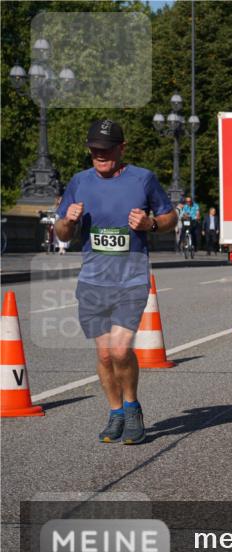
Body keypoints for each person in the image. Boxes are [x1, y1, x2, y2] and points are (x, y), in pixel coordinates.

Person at [54, 119, 177, 444]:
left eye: (106, 150)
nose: (99, 155)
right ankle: (115, 412)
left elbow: (170, 217)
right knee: (106, 354)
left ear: (121, 149)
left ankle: (132, 406)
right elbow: (61, 232)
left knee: (121, 350)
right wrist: (68, 221)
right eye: (94, 150)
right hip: (94, 280)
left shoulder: (143, 178)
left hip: (131, 278)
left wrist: (151, 223)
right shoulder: (79, 182)